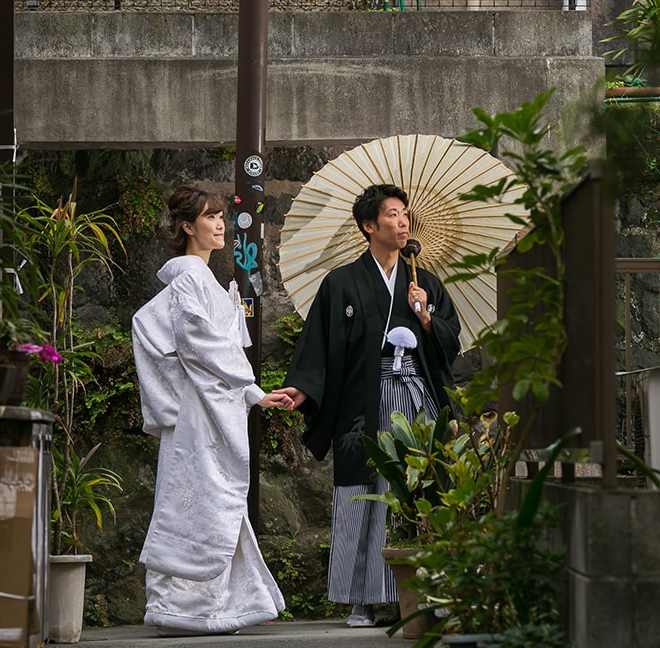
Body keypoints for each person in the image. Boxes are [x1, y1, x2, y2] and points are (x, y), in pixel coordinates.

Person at [275, 183, 461, 628]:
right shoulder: (341, 283)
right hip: (366, 400)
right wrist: (303, 387)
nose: (402, 222)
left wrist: (426, 318)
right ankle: (362, 595)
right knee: (367, 491)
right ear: (369, 226)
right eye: (392, 215)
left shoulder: (425, 282)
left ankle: (421, 595)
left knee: (420, 488)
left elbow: (449, 345)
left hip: (415, 397)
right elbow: (318, 345)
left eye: (404, 215)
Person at [131, 184, 290, 636]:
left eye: (221, 216)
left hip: (211, 409)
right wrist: (250, 386)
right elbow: (198, 345)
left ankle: (212, 605)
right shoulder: (189, 280)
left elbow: (206, 349)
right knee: (201, 500)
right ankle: (184, 607)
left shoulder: (205, 282)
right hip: (199, 417)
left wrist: (256, 394)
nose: (220, 225)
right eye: (210, 217)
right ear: (187, 227)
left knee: (213, 502)